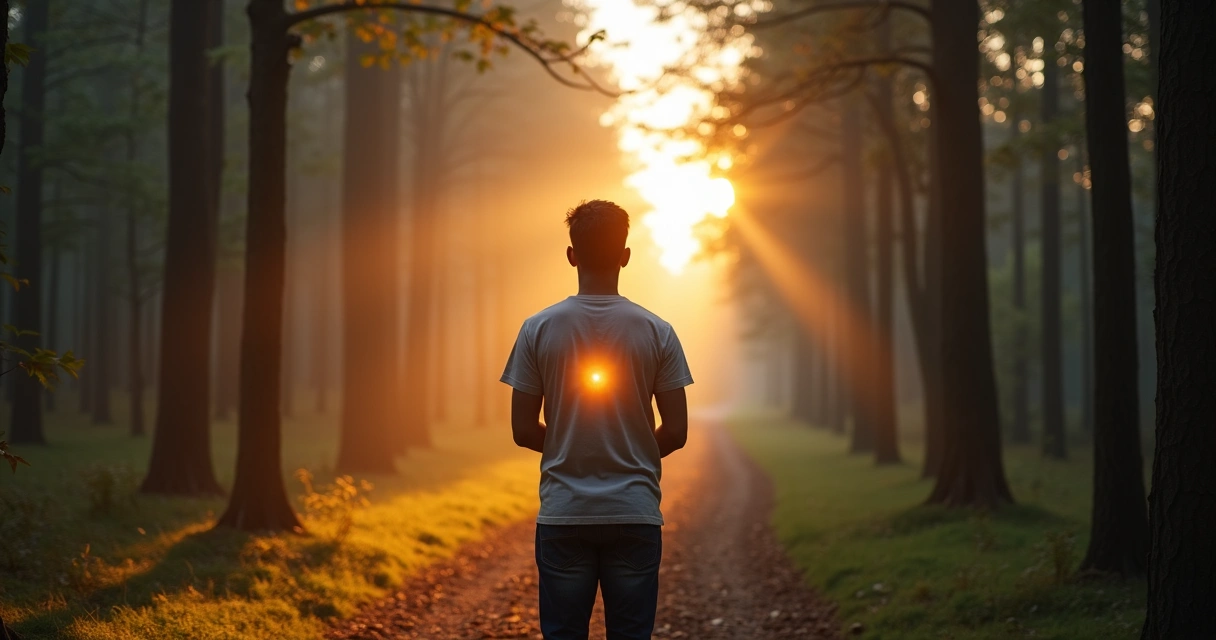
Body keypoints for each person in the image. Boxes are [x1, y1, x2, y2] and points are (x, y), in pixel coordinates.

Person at [500, 199, 693, 640]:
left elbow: (523, 430)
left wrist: (575, 449)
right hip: (635, 513)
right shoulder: (657, 330)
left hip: (565, 513)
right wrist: (632, 452)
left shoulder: (538, 328)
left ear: (572, 255)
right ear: (626, 256)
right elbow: (677, 432)